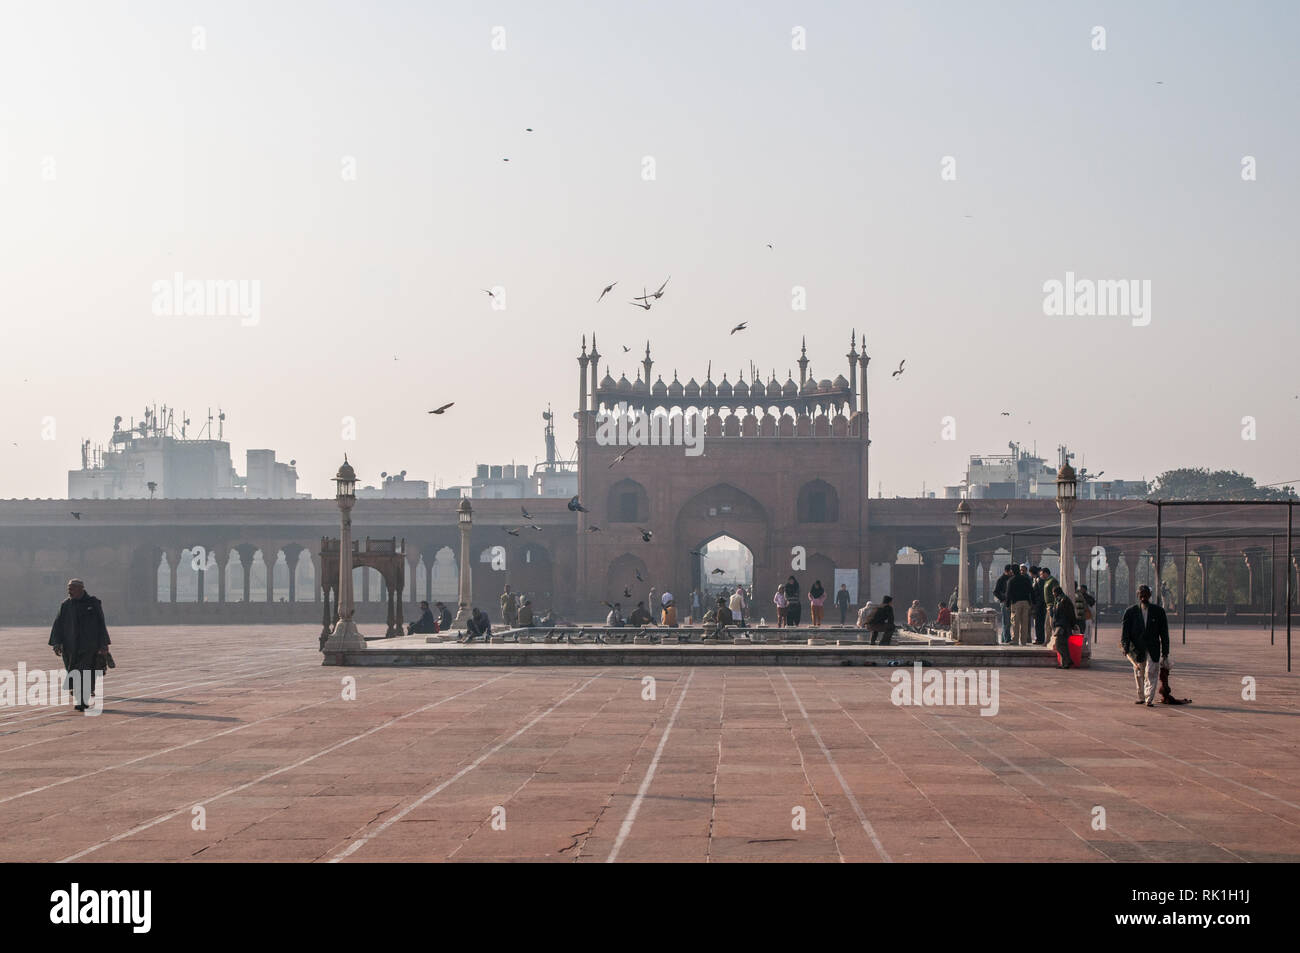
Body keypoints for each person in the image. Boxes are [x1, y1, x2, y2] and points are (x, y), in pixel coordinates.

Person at [49, 578, 111, 712]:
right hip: (70, 647)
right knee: (73, 672)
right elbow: (58, 624)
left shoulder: (93, 603)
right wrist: (56, 642)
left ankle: (82, 700)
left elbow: (101, 624)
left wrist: (103, 644)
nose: (69, 591)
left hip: (89, 646)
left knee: (85, 672)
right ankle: (80, 694)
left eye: (72, 588)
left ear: (81, 589)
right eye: (68, 588)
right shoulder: (66, 605)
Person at [1121, 585, 1168, 706]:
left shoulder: (1158, 612)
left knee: (1151, 672)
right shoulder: (1131, 612)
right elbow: (1125, 632)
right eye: (1141, 595)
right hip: (1137, 648)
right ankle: (1141, 696)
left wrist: (1165, 652)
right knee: (1139, 673)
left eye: (1146, 595)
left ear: (1150, 596)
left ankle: (1149, 698)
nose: (1143, 597)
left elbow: (1164, 633)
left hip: (1153, 647)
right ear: (1138, 596)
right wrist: (1125, 646)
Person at [1007, 564, 1034, 646]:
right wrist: (1032, 602)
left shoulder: (1011, 580)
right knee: (1024, 622)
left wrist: (1007, 604)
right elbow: (1031, 590)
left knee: (1015, 622)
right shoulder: (1026, 579)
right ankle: (1023, 641)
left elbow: (1008, 593)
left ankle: (1015, 640)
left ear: (1012, 571)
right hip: (1026, 602)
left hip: (1016, 603)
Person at [1051, 588, 1078, 669]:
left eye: (1053, 592)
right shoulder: (1059, 600)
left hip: (1063, 625)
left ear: (1056, 592)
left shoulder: (1064, 600)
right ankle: (1065, 663)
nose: (1053, 594)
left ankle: (1068, 661)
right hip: (1061, 624)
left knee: (1059, 644)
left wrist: (1073, 624)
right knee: (1063, 645)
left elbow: (1071, 614)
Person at [993, 564, 1013, 644]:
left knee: (1008, 621)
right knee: (1006, 621)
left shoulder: (1011, 578)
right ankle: (1007, 638)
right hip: (1005, 602)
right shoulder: (1001, 579)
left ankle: (1004, 637)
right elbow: (995, 591)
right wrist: (1003, 598)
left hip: (1010, 602)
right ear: (1006, 571)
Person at [1029, 567, 1046, 645]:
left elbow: (1040, 594)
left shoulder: (1039, 580)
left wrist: (1037, 604)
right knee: (1038, 623)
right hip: (1037, 604)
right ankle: (1039, 638)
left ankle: (1040, 639)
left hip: (1039, 605)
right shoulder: (1036, 580)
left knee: (1039, 622)